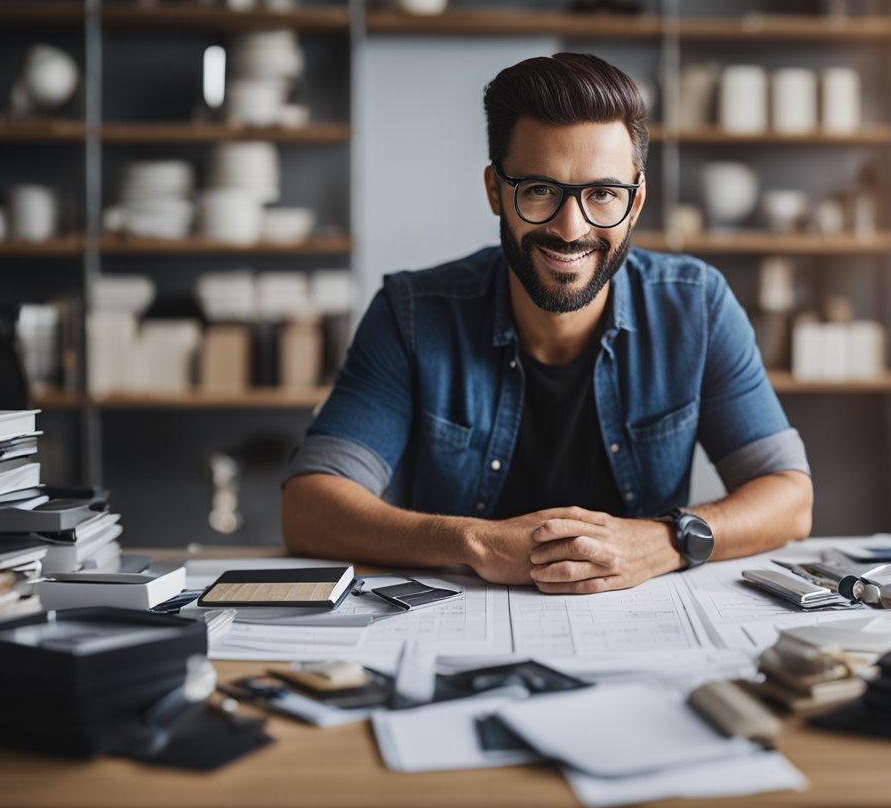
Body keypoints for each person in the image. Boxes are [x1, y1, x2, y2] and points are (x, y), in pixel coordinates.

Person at [282, 52, 812, 594]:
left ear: (636, 202)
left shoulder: (696, 306)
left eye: (603, 193)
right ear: (496, 191)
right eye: (539, 190)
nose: (569, 227)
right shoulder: (413, 312)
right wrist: (476, 542)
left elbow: (790, 499)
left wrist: (664, 541)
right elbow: (309, 506)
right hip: (451, 635)